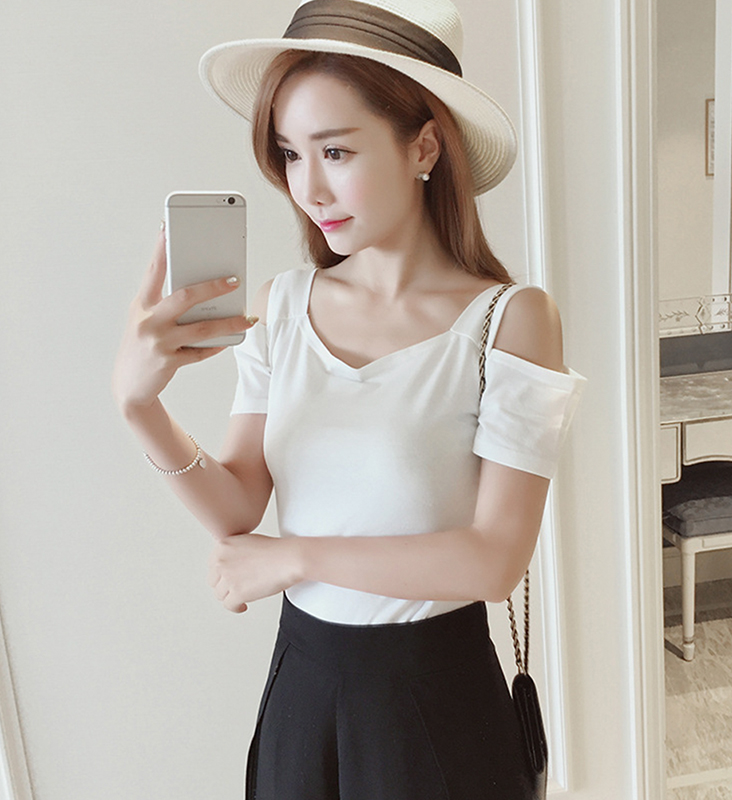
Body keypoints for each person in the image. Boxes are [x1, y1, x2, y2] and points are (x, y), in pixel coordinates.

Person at [112, 1, 586, 797]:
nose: (309, 187)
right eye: (290, 154)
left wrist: (296, 557)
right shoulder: (282, 305)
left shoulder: (509, 320)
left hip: (434, 698)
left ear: (423, 146)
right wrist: (140, 406)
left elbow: (495, 559)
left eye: (335, 150)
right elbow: (237, 505)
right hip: (303, 686)